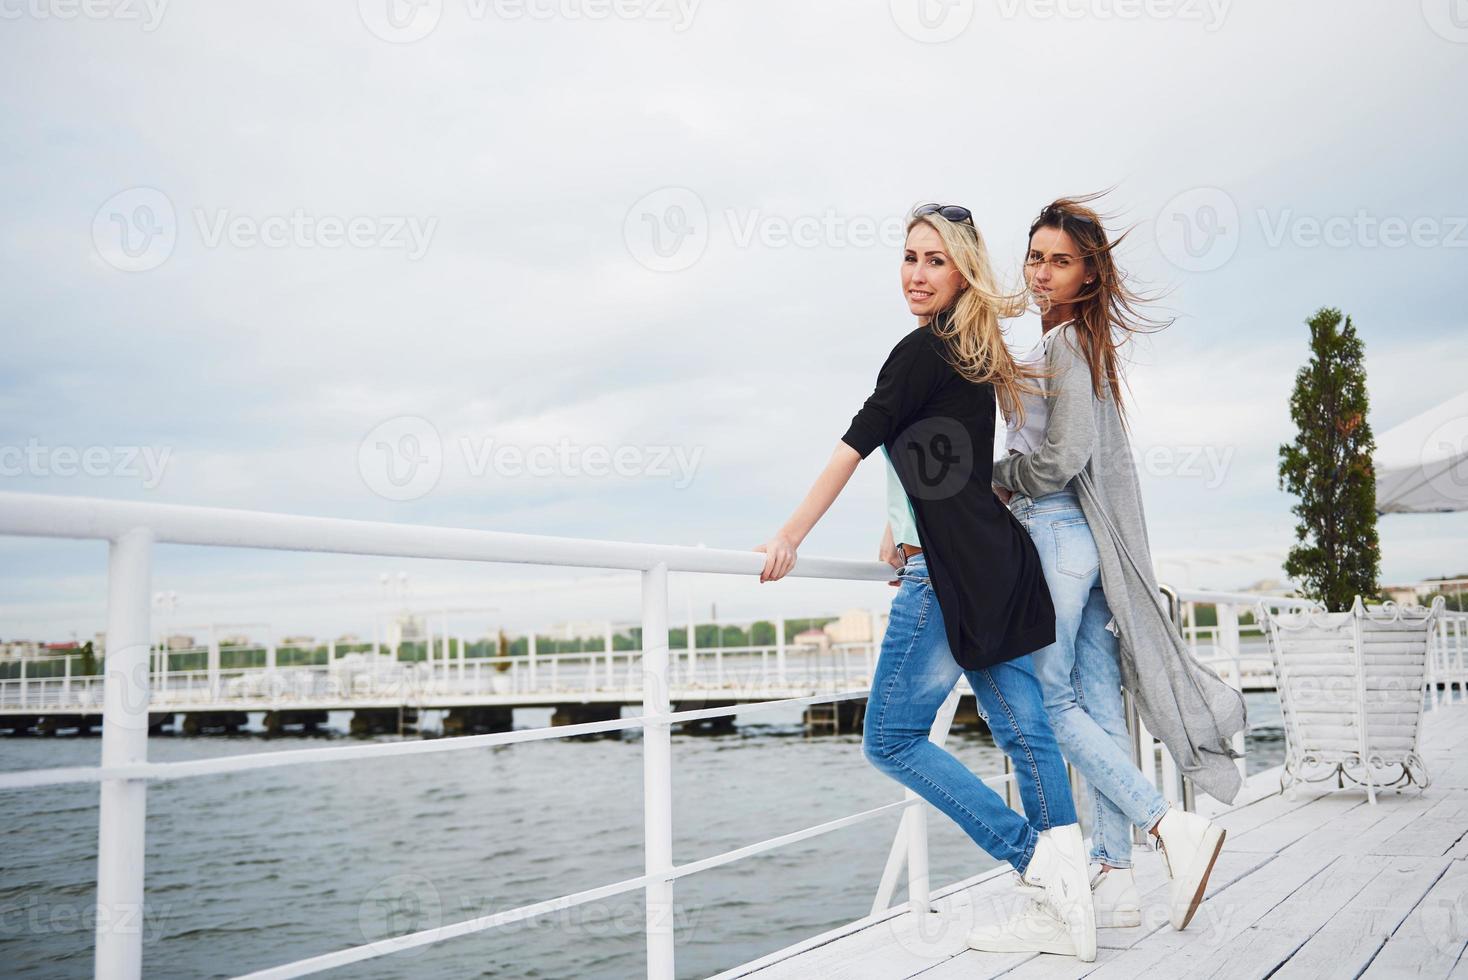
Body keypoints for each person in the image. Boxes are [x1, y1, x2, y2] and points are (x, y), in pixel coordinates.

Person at [756, 203, 1096, 961]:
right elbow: (948, 464)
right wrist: (898, 521)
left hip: (945, 577)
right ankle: (1068, 897)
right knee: (1024, 729)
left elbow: (852, 447)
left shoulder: (918, 352)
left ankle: (1034, 860)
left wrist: (790, 535)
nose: (916, 273)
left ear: (963, 269)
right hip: (994, 563)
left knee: (892, 737)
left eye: (934, 260)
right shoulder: (973, 350)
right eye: (909, 257)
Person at [990, 196, 1239, 932]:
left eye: (1059, 261)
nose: (1041, 271)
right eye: (1035, 256)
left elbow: (1063, 459)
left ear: (1088, 275)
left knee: (1048, 700)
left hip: (1057, 533)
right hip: (1086, 546)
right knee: (1098, 706)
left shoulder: (1066, 345)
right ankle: (1117, 875)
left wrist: (1002, 478)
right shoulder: (1079, 342)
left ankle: (1168, 826)